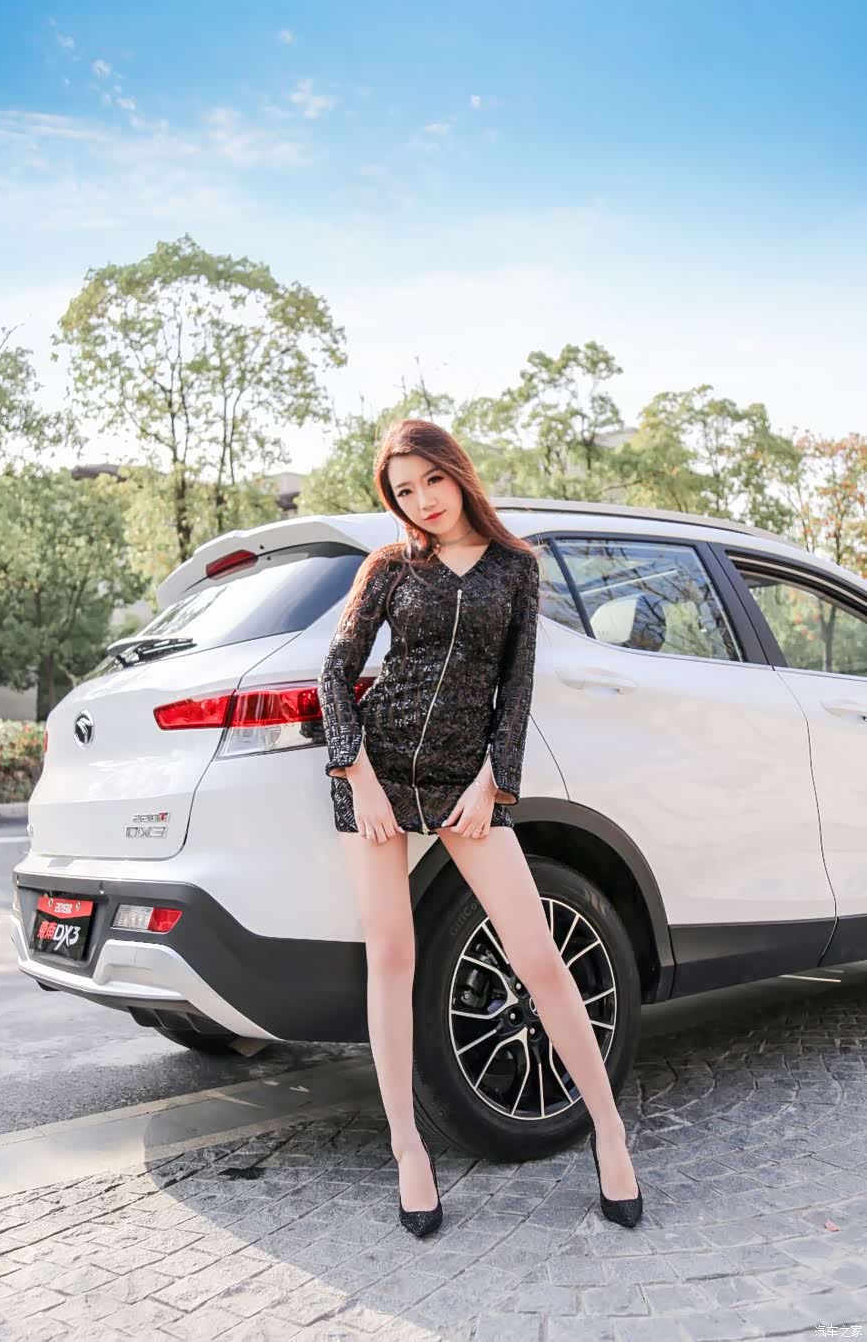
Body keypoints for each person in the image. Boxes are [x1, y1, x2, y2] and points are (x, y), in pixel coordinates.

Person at [317, 418, 642, 1236]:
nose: (422, 501)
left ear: (457, 472)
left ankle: (608, 1129)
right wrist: (357, 775)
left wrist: (494, 781)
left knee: (539, 957)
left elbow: (515, 689)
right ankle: (408, 1148)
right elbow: (335, 671)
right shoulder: (389, 567)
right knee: (392, 957)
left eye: (431, 480)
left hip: (467, 783)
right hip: (379, 773)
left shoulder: (515, 568)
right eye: (404, 491)